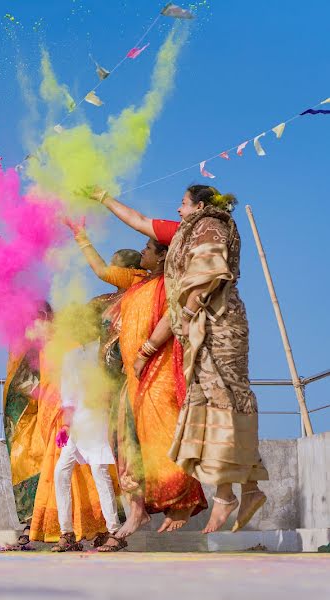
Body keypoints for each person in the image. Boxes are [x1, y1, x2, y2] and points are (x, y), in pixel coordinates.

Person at [92, 185, 269, 533]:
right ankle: (244, 490)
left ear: (199, 206)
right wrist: (102, 198)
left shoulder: (210, 226)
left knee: (224, 405)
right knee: (218, 406)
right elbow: (140, 221)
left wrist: (186, 315)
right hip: (200, 330)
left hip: (217, 328)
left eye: (183, 203)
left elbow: (207, 276)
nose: (177, 208)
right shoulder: (187, 231)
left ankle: (228, 496)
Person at [69, 222, 208, 537]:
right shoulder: (136, 282)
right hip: (128, 381)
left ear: (161, 257)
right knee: (123, 444)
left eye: (148, 248)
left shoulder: (169, 283)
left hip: (157, 376)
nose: (143, 251)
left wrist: (145, 352)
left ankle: (178, 503)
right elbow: (104, 273)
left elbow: (175, 318)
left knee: (161, 439)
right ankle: (138, 511)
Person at [28, 305, 121, 547]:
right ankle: (67, 534)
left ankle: (114, 532)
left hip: (97, 421)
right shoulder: (71, 355)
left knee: (100, 472)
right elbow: (67, 396)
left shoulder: (102, 353)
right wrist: (66, 427)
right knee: (61, 472)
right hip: (77, 427)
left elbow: (110, 387)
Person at [3, 304, 52, 543]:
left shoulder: (58, 341)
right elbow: (18, 381)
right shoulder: (20, 345)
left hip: (56, 415)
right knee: (23, 463)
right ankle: (31, 525)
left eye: (41, 316)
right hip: (23, 418)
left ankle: (66, 526)